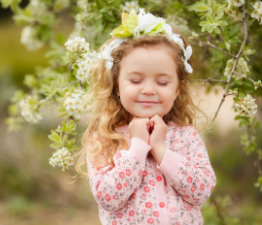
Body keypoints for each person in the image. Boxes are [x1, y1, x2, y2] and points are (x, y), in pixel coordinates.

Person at [74, 9, 216, 225]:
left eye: (162, 82)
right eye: (136, 80)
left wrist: (161, 150)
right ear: (117, 85)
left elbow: (201, 191)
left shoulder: (186, 137)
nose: (149, 90)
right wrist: (138, 147)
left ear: (178, 89)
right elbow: (108, 198)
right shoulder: (106, 139)